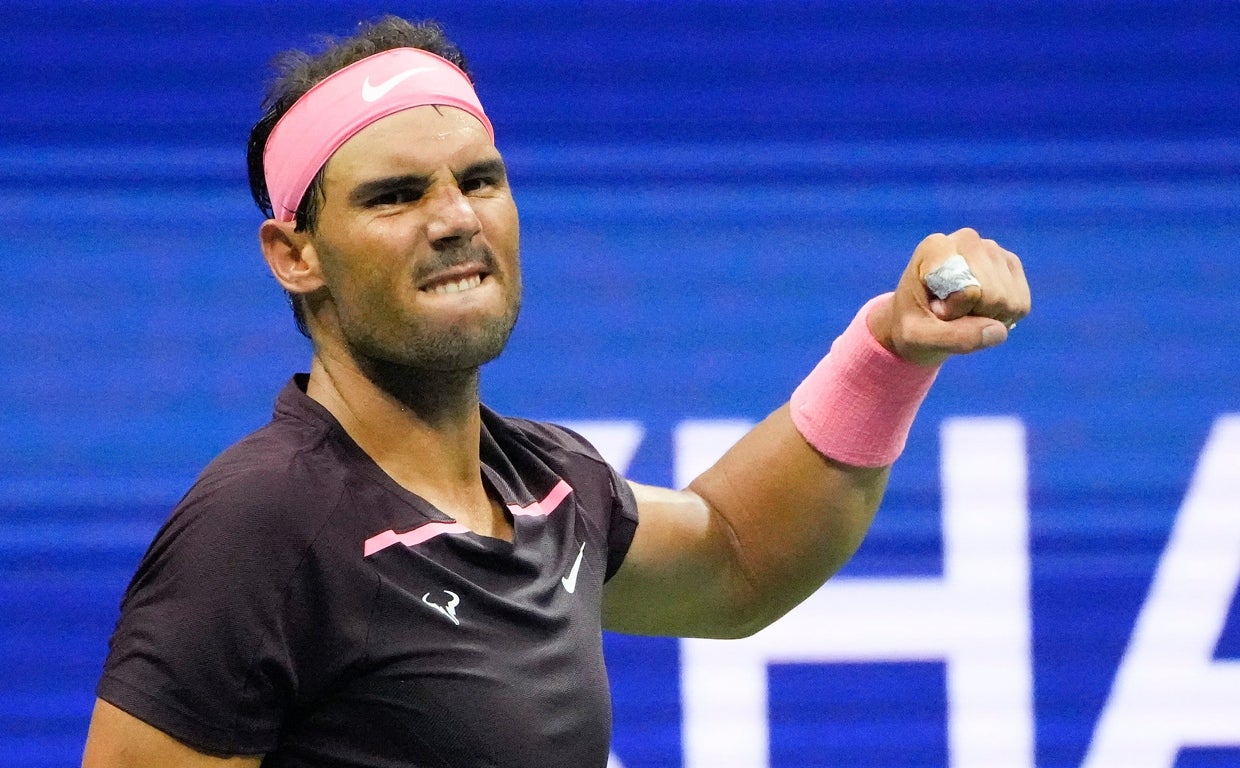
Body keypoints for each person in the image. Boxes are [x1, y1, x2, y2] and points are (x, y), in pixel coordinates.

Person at [81, 14, 1030, 768]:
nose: (455, 218)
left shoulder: (546, 483)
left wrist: (891, 351)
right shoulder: (262, 525)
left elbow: (739, 558)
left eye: (480, 180)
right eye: (395, 195)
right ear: (296, 256)